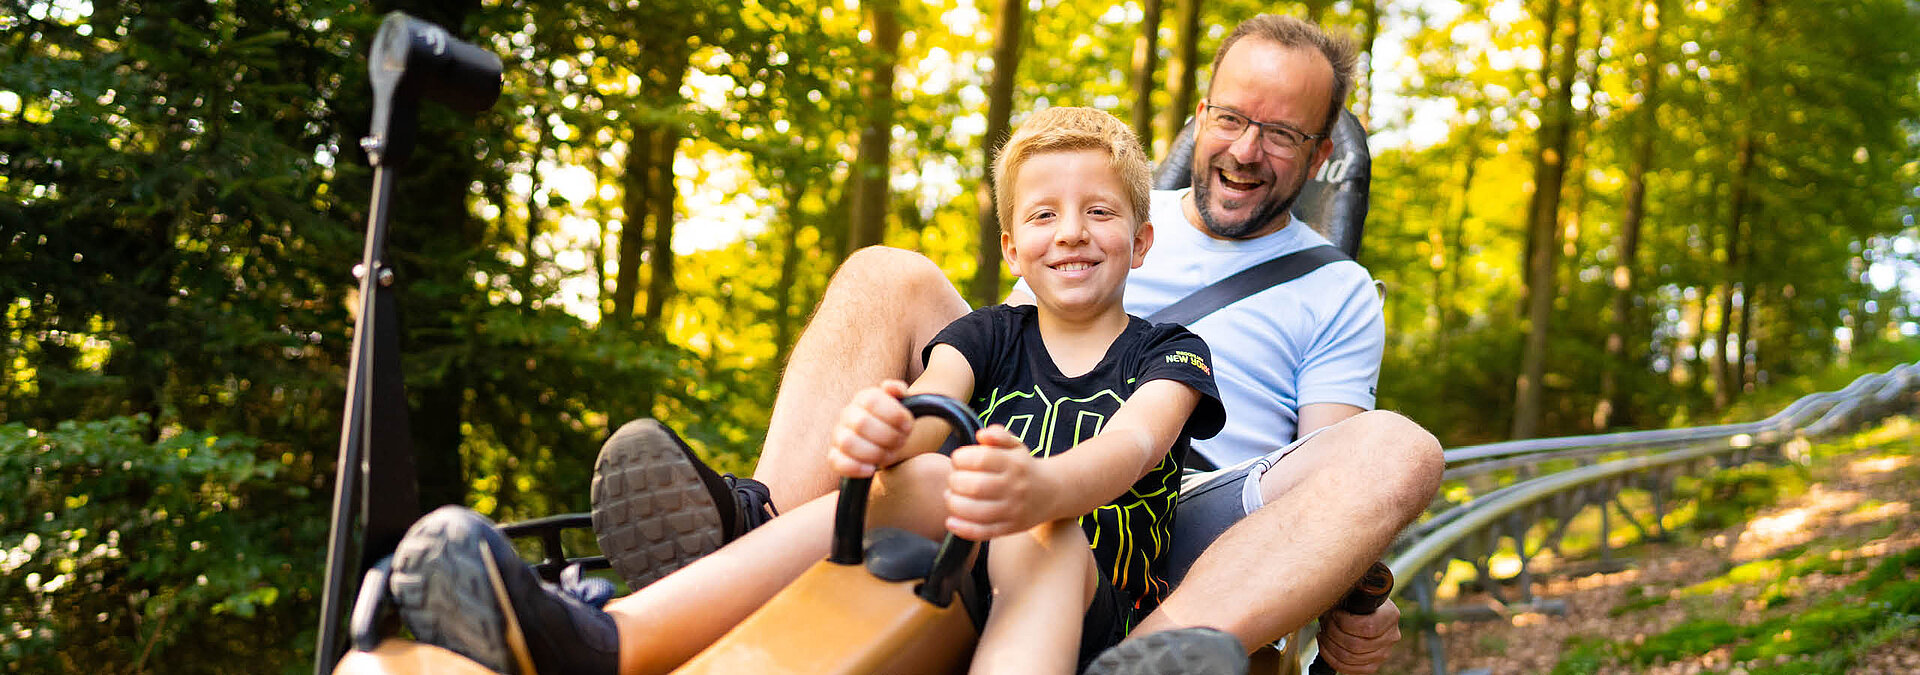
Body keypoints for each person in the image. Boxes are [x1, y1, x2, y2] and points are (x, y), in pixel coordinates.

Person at [591, 13, 1443, 673]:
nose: (1246, 149)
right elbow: (989, 360)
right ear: (1201, 116)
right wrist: (898, 427)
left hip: (1186, 518)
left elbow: (1329, 466)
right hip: (1016, 442)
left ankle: (1157, 652)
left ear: (1322, 151)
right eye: (1231, 118)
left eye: (1283, 133)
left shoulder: (1334, 288)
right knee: (884, 270)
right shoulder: (1098, 210)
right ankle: (762, 525)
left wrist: (1351, 595)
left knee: (1401, 447)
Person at [380, 107, 1236, 675]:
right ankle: (610, 639)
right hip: (948, 589)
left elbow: (1134, 448)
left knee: (1045, 537)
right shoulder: (987, 334)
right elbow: (932, 406)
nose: (1073, 233)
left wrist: (1040, 487)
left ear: (1144, 238)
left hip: (1084, 609)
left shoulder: (1169, 352)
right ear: (1011, 249)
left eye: (1099, 212)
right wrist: (879, 430)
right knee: (919, 480)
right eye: (1045, 215)